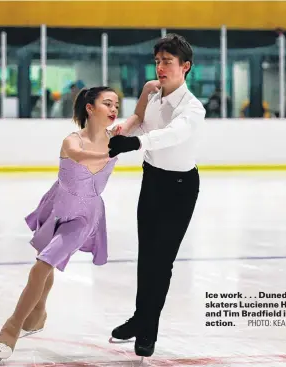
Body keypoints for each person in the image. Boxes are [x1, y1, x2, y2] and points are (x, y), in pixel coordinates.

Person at [0, 86, 121, 363]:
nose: (114, 109)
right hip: (57, 204)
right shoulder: (71, 140)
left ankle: (12, 326)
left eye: (116, 105)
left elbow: (139, 117)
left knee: (43, 264)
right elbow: (80, 156)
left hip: (85, 216)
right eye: (108, 103)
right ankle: (38, 312)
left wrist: (148, 90)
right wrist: (112, 152)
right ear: (90, 107)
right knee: (45, 259)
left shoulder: (116, 136)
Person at [108, 33, 206, 358]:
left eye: (167, 61)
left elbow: (170, 135)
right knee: (146, 255)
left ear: (185, 66)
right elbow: (140, 122)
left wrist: (136, 143)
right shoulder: (151, 92)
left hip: (179, 190)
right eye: (157, 61)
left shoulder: (193, 108)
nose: (160, 67)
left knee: (161, 262)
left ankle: (148, 329)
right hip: (151, 181)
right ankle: (140, 317)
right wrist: (120, 131)